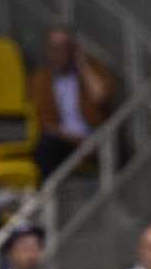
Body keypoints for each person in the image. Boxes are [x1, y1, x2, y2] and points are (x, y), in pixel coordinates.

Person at [29, 26, 115, 178]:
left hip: (95, 140)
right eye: (54, 48)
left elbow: (101, 97)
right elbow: (46, 123)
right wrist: (77, 140)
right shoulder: (41, 79)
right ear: (48, 51)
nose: (59, 53)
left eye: (64, 47)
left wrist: (82, 64)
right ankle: (49, 195)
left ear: (74, 49)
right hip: (66, 140)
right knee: (45, 146)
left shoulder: (90, 71)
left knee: (114, 145)